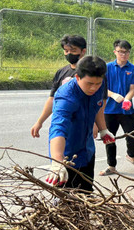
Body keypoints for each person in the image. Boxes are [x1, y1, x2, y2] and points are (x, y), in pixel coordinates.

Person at [45, 56, 116, 192]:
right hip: (67, 157)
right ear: (77, 77)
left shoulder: (98, 86)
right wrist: (57, 162)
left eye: (98, 83)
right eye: (89, 83)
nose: (94, 88)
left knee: (86, 194)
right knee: (66, 204)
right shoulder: (66, 97)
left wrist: (103, 129)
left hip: (87, 152)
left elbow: (98, 106)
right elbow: (57, 128)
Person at [31, 35, 99, 138]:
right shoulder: (61, 72)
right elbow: (52, 99)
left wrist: (95, 123)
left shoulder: (91, 72)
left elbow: (97, 100)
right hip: (63, 122)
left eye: (73, 50)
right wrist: (40, 121)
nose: (69, 54)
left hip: (83, 124)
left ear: (83, 51)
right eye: (66, 51)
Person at [99, 40, 134, 176]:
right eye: (120, 51)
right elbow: (101, 88)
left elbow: (132, 89)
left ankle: (131, 156)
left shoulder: (133, 69)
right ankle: (111, 166)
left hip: (126, 109)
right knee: (109, 138)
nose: (123, 54)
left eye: (126, 52)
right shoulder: (106, 68)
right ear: (115, 52)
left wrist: (127, 98)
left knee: (132, 134)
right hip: (109, 110)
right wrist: (112, 95)